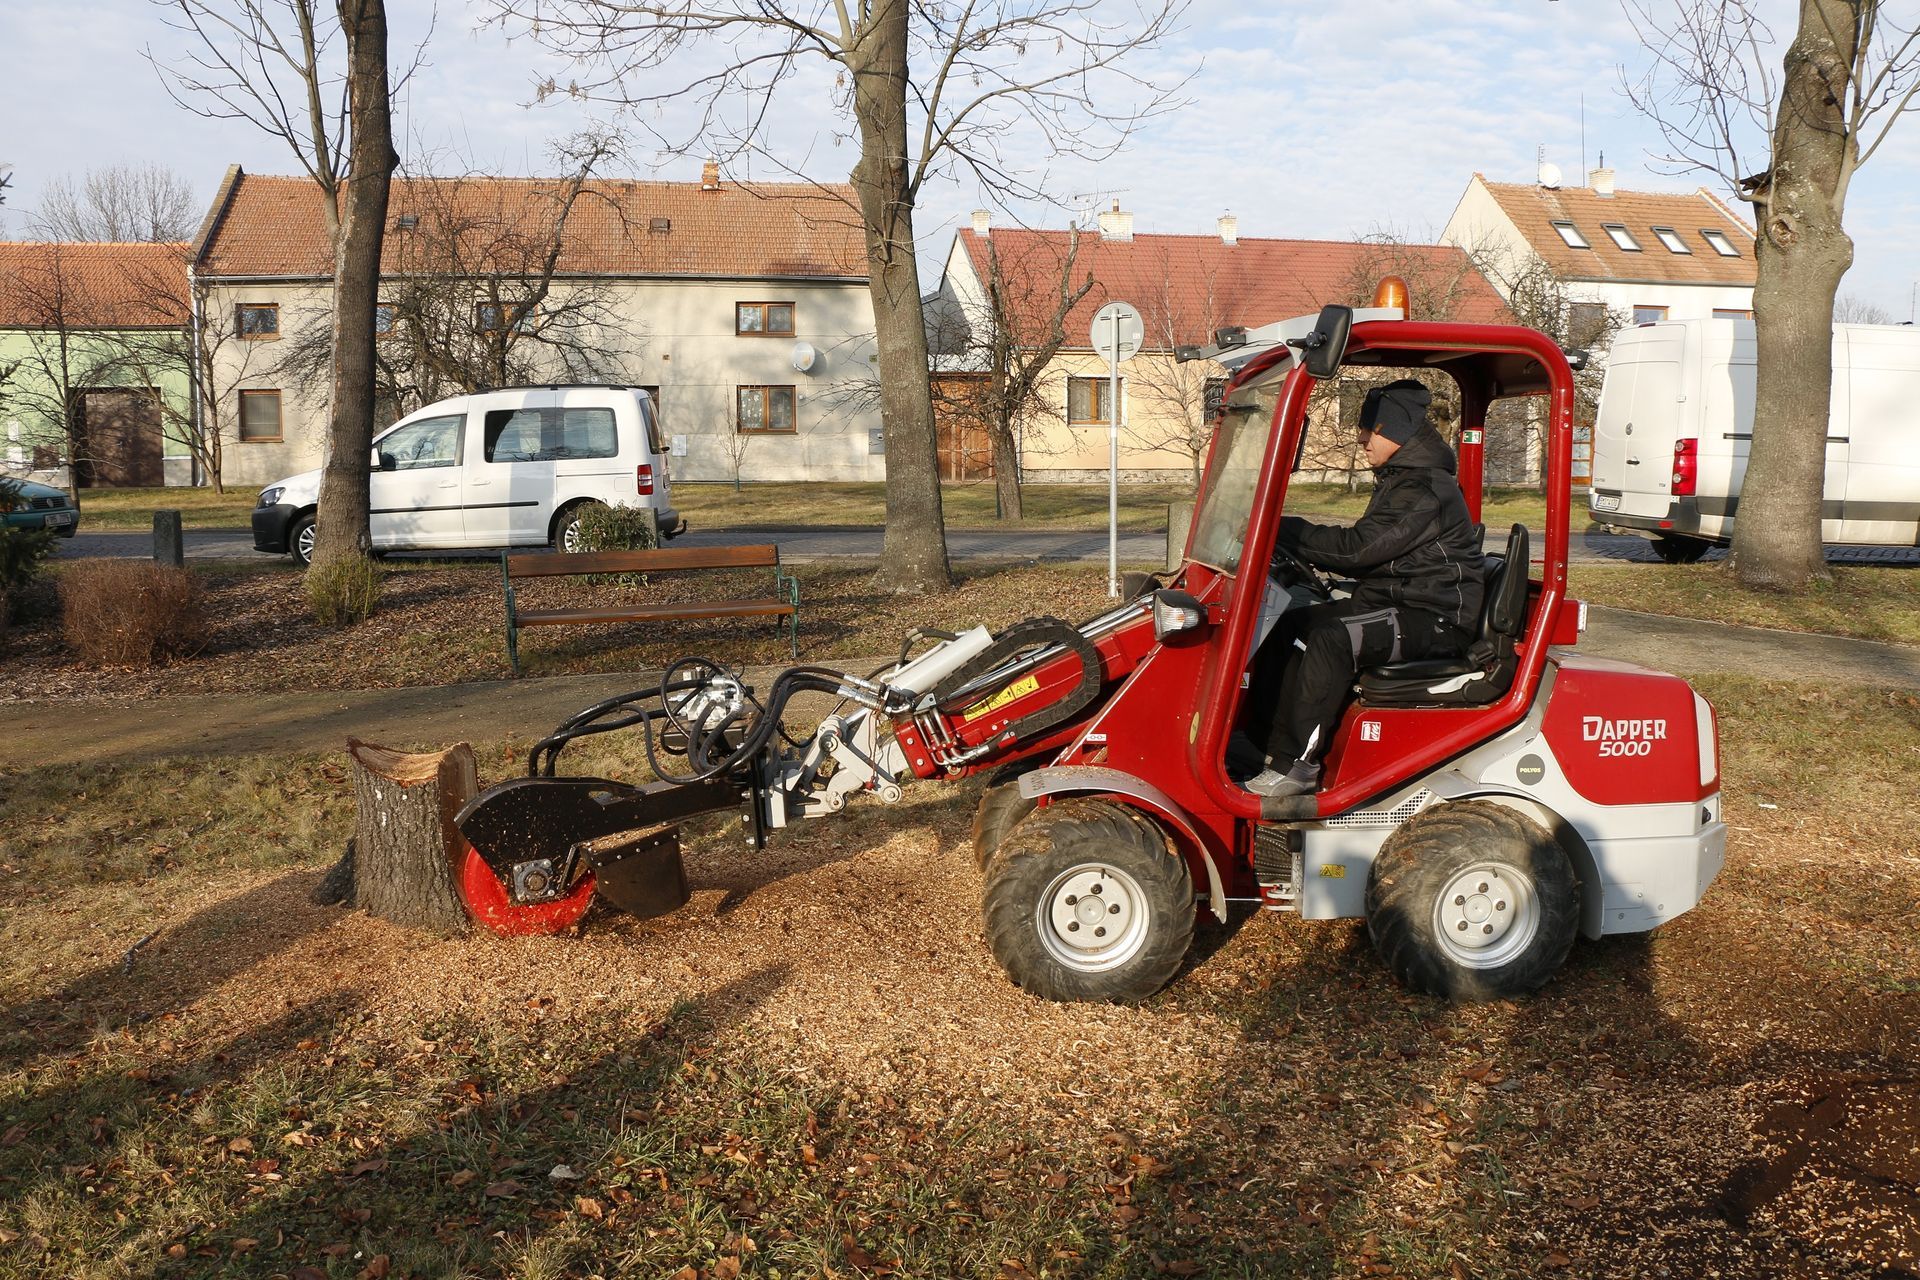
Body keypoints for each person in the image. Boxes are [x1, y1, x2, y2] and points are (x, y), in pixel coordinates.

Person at [1244, 379, 1486, 798]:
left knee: (1332, 640)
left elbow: (1359, 549)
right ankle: (1263, 746)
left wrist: (1279, 529)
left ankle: (1298, 766)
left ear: (1394, 431)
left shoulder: (1423, 488)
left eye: (1368, 429)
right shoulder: (1401, 478)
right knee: (1289, 626)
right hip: (1395, 601)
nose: (1360, 438)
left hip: (1434, 616)